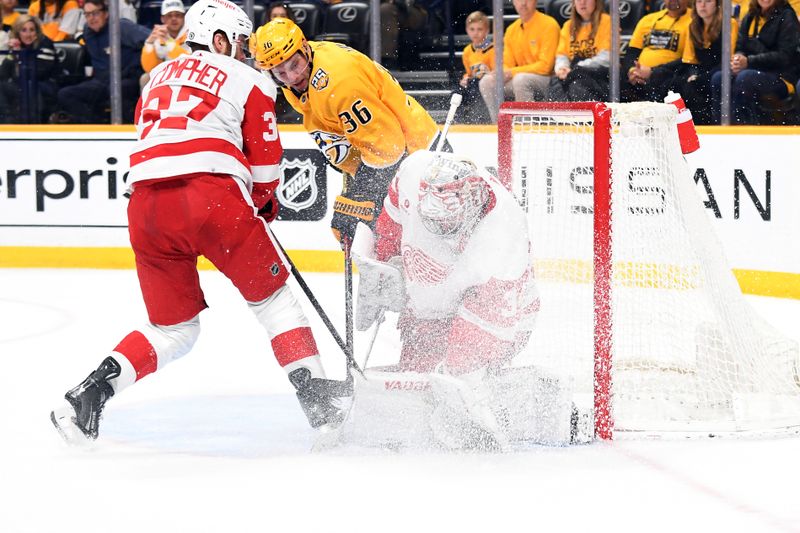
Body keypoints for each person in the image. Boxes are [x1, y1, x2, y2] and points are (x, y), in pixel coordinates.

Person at [50, 0, 348, 444]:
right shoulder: (247, 79)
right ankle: (320, 406)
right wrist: (263, 202)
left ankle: (88, 395)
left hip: (145, 206)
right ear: (221, 39)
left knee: (173, 328)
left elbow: (154, 136)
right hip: (211, 197)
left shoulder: (153, 81)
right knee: (273, 303)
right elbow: (265, 157)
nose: (246, 53)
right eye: (241, 43)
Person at [354, 150, 540, 449]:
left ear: (471, 207)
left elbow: (475, 337)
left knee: (456, 374)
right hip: (438, 304)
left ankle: (484, 406)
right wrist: (388, 262)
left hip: (503, 317)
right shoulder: (414, 172)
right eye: (432, 222)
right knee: (416, 384)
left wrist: (460, 383)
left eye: (446, 224)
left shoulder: (502, 236)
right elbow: (392, 219)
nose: (437, 231)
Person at [250, 17, 443, 246]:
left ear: (305, 48)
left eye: (294, 65)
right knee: (368, 234)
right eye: (280, 73)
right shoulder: (303, 78)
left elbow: (388, 148)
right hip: (385, 155)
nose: (292, 78)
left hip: (419, 155)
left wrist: (361, 195)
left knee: (424, 244)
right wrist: (355, 185)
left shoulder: (340, 82)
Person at [52, 0, 149, 123]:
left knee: (120, 90)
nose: (91, 18)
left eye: (95, 13)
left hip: (127, 78)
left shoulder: (121, 27)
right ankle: (95, 126)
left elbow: (149, 38)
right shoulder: (88, 31)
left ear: (106, 13)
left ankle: (130, 128)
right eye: (87, 14)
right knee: (65, 94)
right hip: (101, 81)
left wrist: (133, 67)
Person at [711, 0, 800, 125]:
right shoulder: (750, 15)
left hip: (781, 77)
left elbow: (784, 57)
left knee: (745, 78)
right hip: (751, 70)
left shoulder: (787, 16)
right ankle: (721, 128)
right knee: (719, 78)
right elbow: (740, 46)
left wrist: (748, 61)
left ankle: (744, 128)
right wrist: (738, 58)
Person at [478, 0, 560, 123]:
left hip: (547, 80)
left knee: (520, 80)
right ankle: (499, 126)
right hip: (520, 77)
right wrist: (502, 72)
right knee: (486, 81)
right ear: (514, 2)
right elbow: (507, 62)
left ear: (535, 1)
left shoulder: (549, 24)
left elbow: (546, 66)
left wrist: (511, 72)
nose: (523, 3)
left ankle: (527, 126)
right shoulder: (512, 29)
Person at [672, 0, 737, 124]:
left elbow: (729, 60)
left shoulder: (729, 23)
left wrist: (700, 77)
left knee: (701, 84)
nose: (702, 5)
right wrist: (693, 75)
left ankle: (710, 126)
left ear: (718, 4)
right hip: (702, 72)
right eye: (699, 1)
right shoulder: (693, 26)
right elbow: (690, 60)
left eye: (708, 1)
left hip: (723, 71)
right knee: (675, 82)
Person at [621, 0, 692, 103]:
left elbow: (687, 60)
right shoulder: (648, 19)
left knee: (665, 80)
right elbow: (631, 53)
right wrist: (633, 71)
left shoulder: (694, 20)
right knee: (607, 75)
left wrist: (652, 72)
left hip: (669, 74)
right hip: (637, 76)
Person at [546, 0, 612, 102]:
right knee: (556, 84)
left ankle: (587, 117)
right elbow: (562, 55)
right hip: (572, 71)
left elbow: (607, 57)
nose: (582, 2)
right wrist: (562, 68)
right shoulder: (568, 25)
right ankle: (560, 116)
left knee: (577, 84)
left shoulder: (607, 21)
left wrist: (577, 68)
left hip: (598, 74)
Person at [0, 15, 60, 123]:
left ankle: (32, 127)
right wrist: (13, 54)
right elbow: (3, 74)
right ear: (17, 33)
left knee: (29, 86)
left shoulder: (45, 44)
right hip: (23, 85)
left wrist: (19, 58)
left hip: (46, 84)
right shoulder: (18, 45)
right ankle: (7, 125)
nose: (28, 34)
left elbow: (37, 73)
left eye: (32, 30)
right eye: (24, 30)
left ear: (37, 31)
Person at [140, 0, 189, 89]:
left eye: (178, 15)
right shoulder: (159, 35)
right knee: (145, 78)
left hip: (188, 73)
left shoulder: (191, 34)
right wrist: (149, 43)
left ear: (184, 17)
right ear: (162, 19)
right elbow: (149, 68)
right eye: (169, 16)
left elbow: (188, 62)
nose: (174, 19)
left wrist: (169, 42)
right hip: (166, 74)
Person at [456, 10, 493, 124]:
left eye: (479, 29)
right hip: (473, 82)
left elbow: (495, 72)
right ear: (467, 30)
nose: (475, 33)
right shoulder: (467, 51)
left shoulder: (493, 49)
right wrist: (465, 78)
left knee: (474, 87)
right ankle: (460, 121)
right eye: (472, 29)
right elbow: (469, 72)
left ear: (487, 31)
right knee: (457, 92)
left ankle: (480, 119)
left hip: (487, 83)